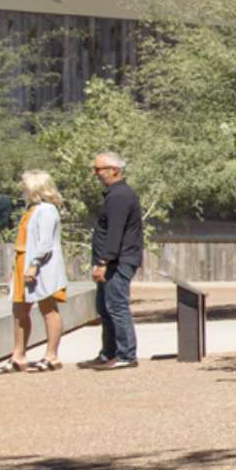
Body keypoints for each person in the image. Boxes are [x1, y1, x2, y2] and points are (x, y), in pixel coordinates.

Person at [86, 150, 143, 367]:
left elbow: (114, 233)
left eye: (99, 169)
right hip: (111, 262)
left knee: (116, 307)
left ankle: (126, 355)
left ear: (115, 170)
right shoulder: (115, 195)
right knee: (104, 307)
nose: (96, 173)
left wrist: (103, 262)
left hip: (117, 262)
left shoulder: (120, 196)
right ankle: (108, 353)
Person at [11, 169, 69, 372]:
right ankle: (18, 355)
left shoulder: (46, 210)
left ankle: (51, 355)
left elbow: (45, 242)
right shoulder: (31, 209)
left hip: (39, 265)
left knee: (48, 307)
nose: (22, 189)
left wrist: (34, 264)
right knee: (20, 309)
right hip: (22, 261)